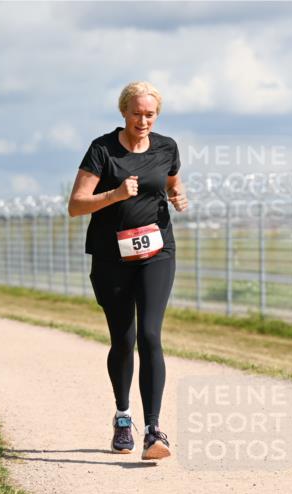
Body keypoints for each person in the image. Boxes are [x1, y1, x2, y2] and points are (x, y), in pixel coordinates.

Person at [68, 81, 189, 461]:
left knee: (150, 335)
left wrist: (178, 195)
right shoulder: (102, 150)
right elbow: (76, 205)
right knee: (124, 340)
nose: (143, 120)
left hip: (157, 251)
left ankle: (154, 430)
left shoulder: (167, 147)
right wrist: (115, 194)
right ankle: (123, 418)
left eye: (150, 114)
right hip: (111, 257)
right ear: (124, 112)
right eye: (137, 113)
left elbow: (171, 180)